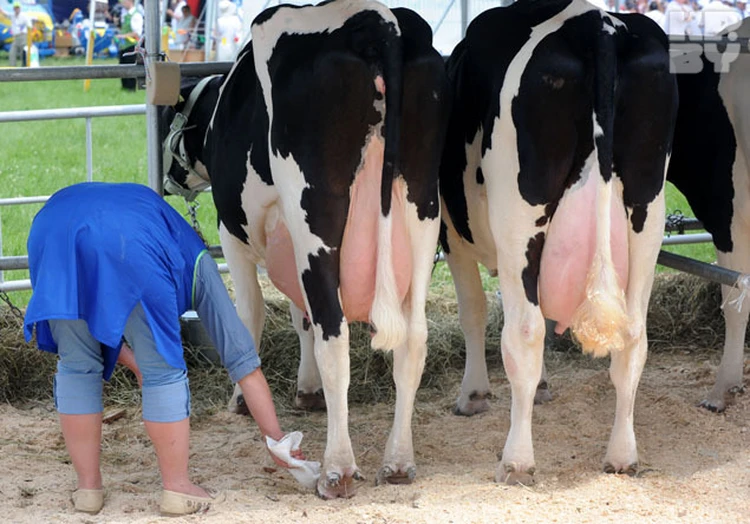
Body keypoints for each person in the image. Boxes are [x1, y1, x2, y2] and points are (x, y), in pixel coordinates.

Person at [23, 182, 305, 516]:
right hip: (133, 244)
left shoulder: (167, 233)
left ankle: (88, 489)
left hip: (51, 229)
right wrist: (276, 439)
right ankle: (177, 487)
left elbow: (96, 320)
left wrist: (134, 363)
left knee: (77, 365)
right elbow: (243, 360)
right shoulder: (200, 264)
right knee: (164, 370)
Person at [114, 0, 143, 90]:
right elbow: (125, 29)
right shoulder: (126, 15)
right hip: (124, 46)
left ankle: (130, 88)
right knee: (122, 66)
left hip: (131, 46)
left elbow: (137, 33)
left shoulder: (136, 15)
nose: (122, 3)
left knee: (130, 67)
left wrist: (122, 36)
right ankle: (124, 87)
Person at [0, 1, 30, 67]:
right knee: (12, 52)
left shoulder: (24, 16)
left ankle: (25, 66)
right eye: (15, 8)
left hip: (23, 36)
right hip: (15, 37)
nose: (16, 9)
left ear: (20, 8)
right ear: (13, 8)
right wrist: (1, 9)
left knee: (23, 52)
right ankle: (12, 67)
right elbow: (5, 14)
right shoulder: (12, 15)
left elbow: (28, 25)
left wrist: (22, 30)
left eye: (17, 8)